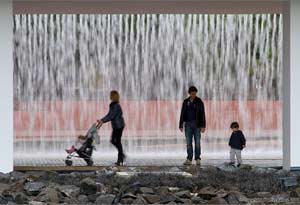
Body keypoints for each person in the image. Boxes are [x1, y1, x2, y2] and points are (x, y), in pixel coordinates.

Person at [179, 86, 206, 166]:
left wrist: (203, 126)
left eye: (195, 94)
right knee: (188, 143)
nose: (194, 95)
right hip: (188, 125)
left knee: (197, 142)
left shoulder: (199, 101)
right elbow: (182, 114)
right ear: (189, 93)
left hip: (197, 125)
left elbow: (202, 114)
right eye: (192, 94)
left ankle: (197, 158)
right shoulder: (185, 102)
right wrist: (180, 124)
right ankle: (189, 159)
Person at [97, 90, 126, 166]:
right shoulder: (113, 104)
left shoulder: (115, 105)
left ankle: (120, 158)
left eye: (110, 95)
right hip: (117, 125)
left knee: (116, 141)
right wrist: (102, 120)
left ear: (113, 96)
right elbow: (109, 114)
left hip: (119, 126)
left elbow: (111, 116)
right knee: (114, 141)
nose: (109, 96)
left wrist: (102, 121)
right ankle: (121, 156)